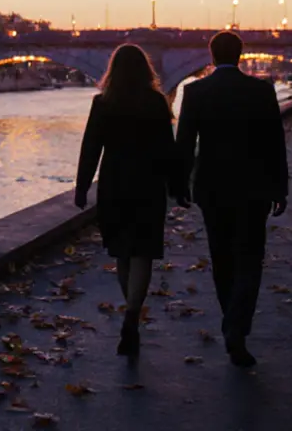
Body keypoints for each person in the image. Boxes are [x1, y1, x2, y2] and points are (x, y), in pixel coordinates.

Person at [175, 31, 288, 368]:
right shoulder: (262, 91)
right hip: (254, 188)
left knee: (221, 257)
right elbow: (274, 143)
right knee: (251, 259)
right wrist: (279, 187)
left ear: (211, 56)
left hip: (211, 188)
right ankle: (236, 327)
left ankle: (232, 323)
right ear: (240, 55)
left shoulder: (195, 92)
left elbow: (184, 144)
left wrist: (180, 183)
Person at [75, 44, 187, 357]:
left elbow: (91, 147)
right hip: (148, 185)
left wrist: (82, 187)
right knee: (143, 253)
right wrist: (177, 186)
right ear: (145, 70)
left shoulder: (102, 103)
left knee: (122, 253)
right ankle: (132, 316)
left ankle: (130, 314)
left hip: (114, 185)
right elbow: (168, 149)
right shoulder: (155, 102)